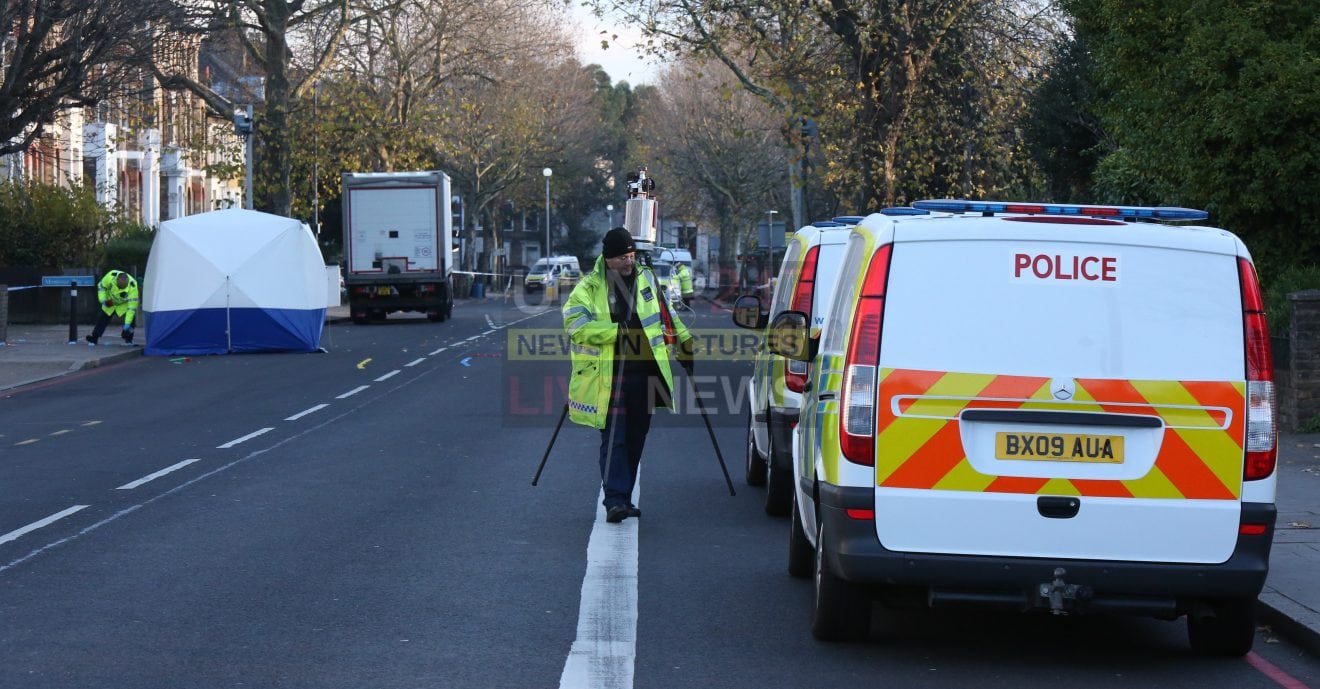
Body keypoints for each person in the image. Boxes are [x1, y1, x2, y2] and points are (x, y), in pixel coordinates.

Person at [563, 228, 696, 523]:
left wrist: (684, 343)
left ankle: (623, 496)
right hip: (609, 376)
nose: (629, 261)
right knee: (615, 438)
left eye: (632, 255)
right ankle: (614, 500)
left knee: (636, 436)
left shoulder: (647, 278)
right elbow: (575, 326)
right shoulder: (588, 288)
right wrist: (615, 332)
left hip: (647, 373)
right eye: (623, 256)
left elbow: (666, 315)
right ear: (608, 258)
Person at [86, 269, 139, 346]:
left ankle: (128, 340)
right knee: (102, 319)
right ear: (116, 280)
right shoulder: (110, 276)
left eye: (124, 287)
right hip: (110, 302)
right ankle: (94, 338)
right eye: (120, 286)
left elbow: (131, 308)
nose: (121, 289)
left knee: (131, 322)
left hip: (123, 304)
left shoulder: (133, 286)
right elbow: (101, 287)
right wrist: (103, 300)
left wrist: (127, 324)